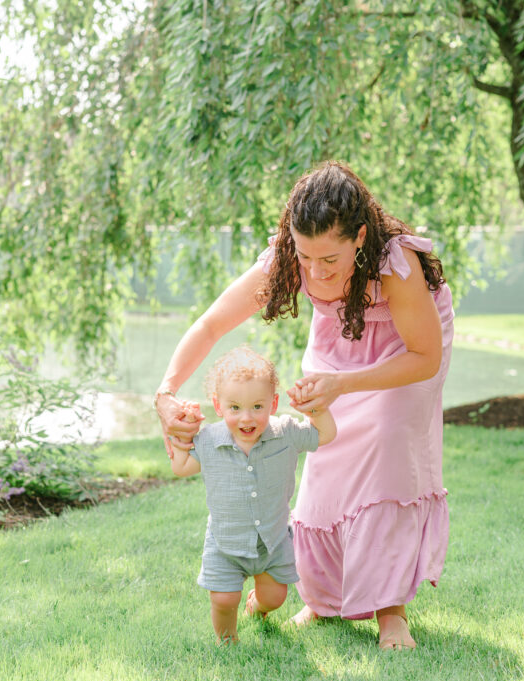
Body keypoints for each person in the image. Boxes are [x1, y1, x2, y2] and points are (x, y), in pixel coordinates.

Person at [155, 161, 454, 651]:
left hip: (408, 351)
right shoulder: (291, 261)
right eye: (305, 256)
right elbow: (211, 325)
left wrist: (344, 384)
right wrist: (165, 392)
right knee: (324, 453)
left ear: (359, 237)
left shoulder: (396, 263)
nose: (315, 272)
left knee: (383, 438)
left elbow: (426, 357)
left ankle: (391, 612)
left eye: (329, 261)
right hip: (339, 341)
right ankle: (323, 598)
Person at [168, 346, 336, 644]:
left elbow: (325, 435)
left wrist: (316, 410)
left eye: (257, 407)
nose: (247, 417)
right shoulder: (208, 440)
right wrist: (180, 433)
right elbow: (181, 466)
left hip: (271, 542)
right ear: (218, 407)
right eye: (235, 408)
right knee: (223, 598)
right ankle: (227, 640)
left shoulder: (285, 432)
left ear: (273, 403)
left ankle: (256, 605)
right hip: (226, 543)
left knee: (275, 598)